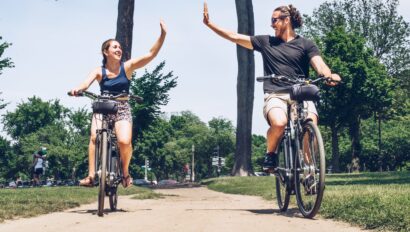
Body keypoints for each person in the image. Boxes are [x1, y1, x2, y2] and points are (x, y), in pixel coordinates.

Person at [203, 3, 341, 172]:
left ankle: (309, 168)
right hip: (276, 94)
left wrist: (329, 75)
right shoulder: (265, 42)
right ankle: (271, 153)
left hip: (301, 92)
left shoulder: (306, 44)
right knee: (279, 122)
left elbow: (320, 65)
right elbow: (235, 36)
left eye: (274, 20)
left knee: (310, 122)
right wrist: (210, 25)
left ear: (287, 20)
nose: (272, 24)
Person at [70, 20, 167, 188]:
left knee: (124, 142)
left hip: (122, 107)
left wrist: (162, 35)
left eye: (120, 47)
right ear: (105, 52)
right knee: (94, 137)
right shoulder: (98, 71)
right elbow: (85, 84)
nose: (119, 49)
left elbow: (150, 55)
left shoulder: (127, 67)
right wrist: (77, 89)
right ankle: (92, 176)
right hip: (103, 107)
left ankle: (125, 172)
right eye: (114, 47)